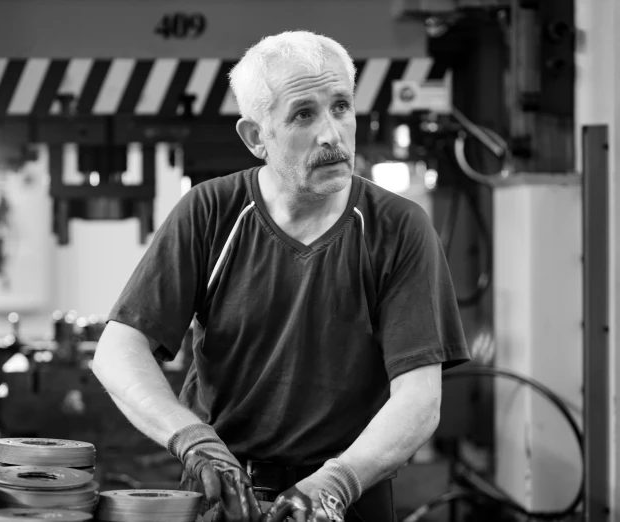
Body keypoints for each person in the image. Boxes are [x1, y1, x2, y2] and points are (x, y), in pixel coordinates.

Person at [92, 30, 471, 522]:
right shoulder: (212, 212)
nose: (332, 134)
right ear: (256, 138)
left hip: (351, 496)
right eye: (303, 114)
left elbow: (420, 399)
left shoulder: (398, 227)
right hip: (225, 495)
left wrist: (335, 484)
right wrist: (193, 441)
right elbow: (118, 350)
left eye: (341, 106)